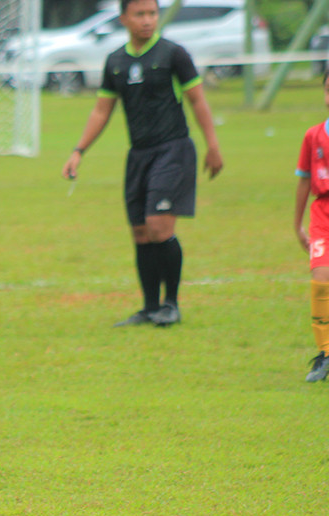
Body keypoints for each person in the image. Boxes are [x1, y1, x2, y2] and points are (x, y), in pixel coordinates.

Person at [62, 0, 223, 327]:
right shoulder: (116, 61)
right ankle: (150, 308)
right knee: (140, 231)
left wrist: (213, 146)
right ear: (124, 18)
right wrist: (79, 150)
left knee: (159, 225)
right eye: (140, 14)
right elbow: (101, 110)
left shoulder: (173, 55)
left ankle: (171, 305)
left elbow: (197, 100)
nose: (147, 20)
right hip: (139, 155)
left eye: (152, 13)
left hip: (173, 149)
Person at [293, 73, 329, 382]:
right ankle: (325, 353)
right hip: (322, 215)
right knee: (321, 280)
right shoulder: (313, 136)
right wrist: (297, 224)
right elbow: (304, 179)